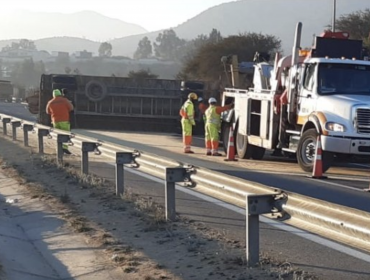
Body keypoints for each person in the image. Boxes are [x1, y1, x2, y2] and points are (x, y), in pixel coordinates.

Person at [46, 89, 74, 154]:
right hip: (64, 120)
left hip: (55, 121)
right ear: (60, 94)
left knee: (58, 135)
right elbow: (71, 108)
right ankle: (64, 148)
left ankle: (58, 148)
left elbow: (47, 112)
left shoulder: (50, 102)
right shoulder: (65, 100)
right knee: (65, 134)